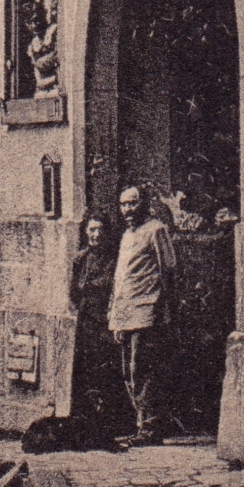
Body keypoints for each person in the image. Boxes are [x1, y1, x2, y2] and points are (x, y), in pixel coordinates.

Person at [109, 185, 177, 446]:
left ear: (143, 204)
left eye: (132, 203)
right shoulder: (127, 235)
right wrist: (114, 313)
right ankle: (141, 423)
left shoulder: (156, 230)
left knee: (143, 369)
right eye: (123, 204)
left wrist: (164, 310)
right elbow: (120, 277)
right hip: (124, 313)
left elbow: (168, 270)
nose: (127, 209)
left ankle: (150, 427)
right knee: (128, 371)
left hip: (147, 311)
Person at [68, 212, 126, 447]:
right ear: (85, 232)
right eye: (91, 229)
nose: (96, 234)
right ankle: (85, 423)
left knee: (107, 372)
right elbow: (74, 292)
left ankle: (111, 424)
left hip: (105, 322)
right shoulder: (80, 259)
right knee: (85, 372)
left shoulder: (114, 260)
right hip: (85, 324)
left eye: (100, 229)